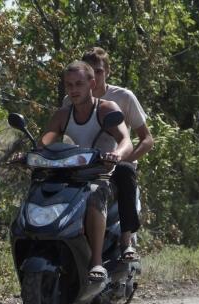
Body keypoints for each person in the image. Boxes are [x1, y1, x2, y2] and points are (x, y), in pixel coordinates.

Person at [40, 60, 133, 282]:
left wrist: (117, 154)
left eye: (79, 84)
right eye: (69, 85)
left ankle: (97, 263)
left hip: (101, 176)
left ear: (92, 83)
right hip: (70, 176)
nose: (73, 90)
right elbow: (44, 142)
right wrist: (27, 154)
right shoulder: (63, 115)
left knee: (92, 197)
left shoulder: (106, 109)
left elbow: (126, 141)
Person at [72, 47, 154, 260]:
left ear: (107, 71)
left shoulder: (123, 97)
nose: (95, 77)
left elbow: (147, 139)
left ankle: (126, 241)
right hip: (84, 165)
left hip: (115, 162)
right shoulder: (72, 98)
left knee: (125, 171)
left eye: (99, 71)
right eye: (90, 72)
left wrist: (123, 158)